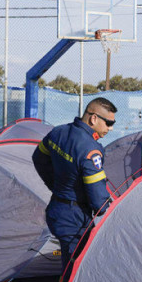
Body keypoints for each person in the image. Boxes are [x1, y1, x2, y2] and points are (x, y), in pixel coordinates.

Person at [32, 97, 117, 271]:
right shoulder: (91, 150)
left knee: (68, 262)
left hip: (56, 209)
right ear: (94, 118)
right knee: (74, 270)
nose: (111, 128)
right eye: (108, 123)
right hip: (75, 218)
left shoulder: (58, 132)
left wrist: (56, 187)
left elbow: (38, 159)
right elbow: (98, 199)